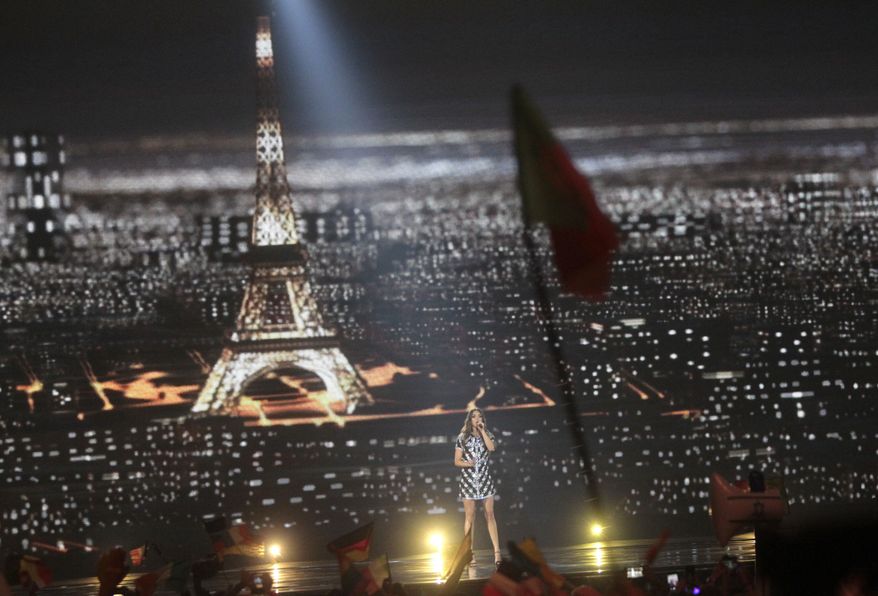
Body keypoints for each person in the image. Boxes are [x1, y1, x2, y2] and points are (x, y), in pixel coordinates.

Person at [453, 408, 501, 567]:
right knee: (470, 517)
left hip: (485, 479)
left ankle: (497, 552)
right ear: (469, 419)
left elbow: (492, 448)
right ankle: (468, 553)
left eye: (479, 417)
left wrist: (483, 431)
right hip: (468, 481)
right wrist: (468, 463)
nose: (477, 419)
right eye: (474, 417)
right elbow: (457, 461)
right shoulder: (462, 438)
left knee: (490, 514)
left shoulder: (488, 434)